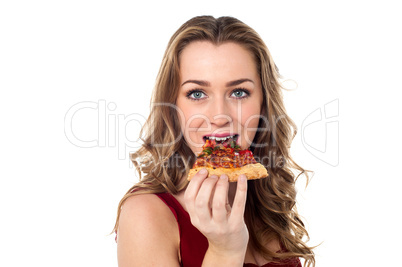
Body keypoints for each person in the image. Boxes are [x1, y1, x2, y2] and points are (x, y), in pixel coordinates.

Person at [113, 16, 315, 267]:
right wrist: (225, 251)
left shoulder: (266, 200)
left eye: (239, 92)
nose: (220, 116)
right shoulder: (145, 215)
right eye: (197, 94)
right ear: (173, 107)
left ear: (264, 103)